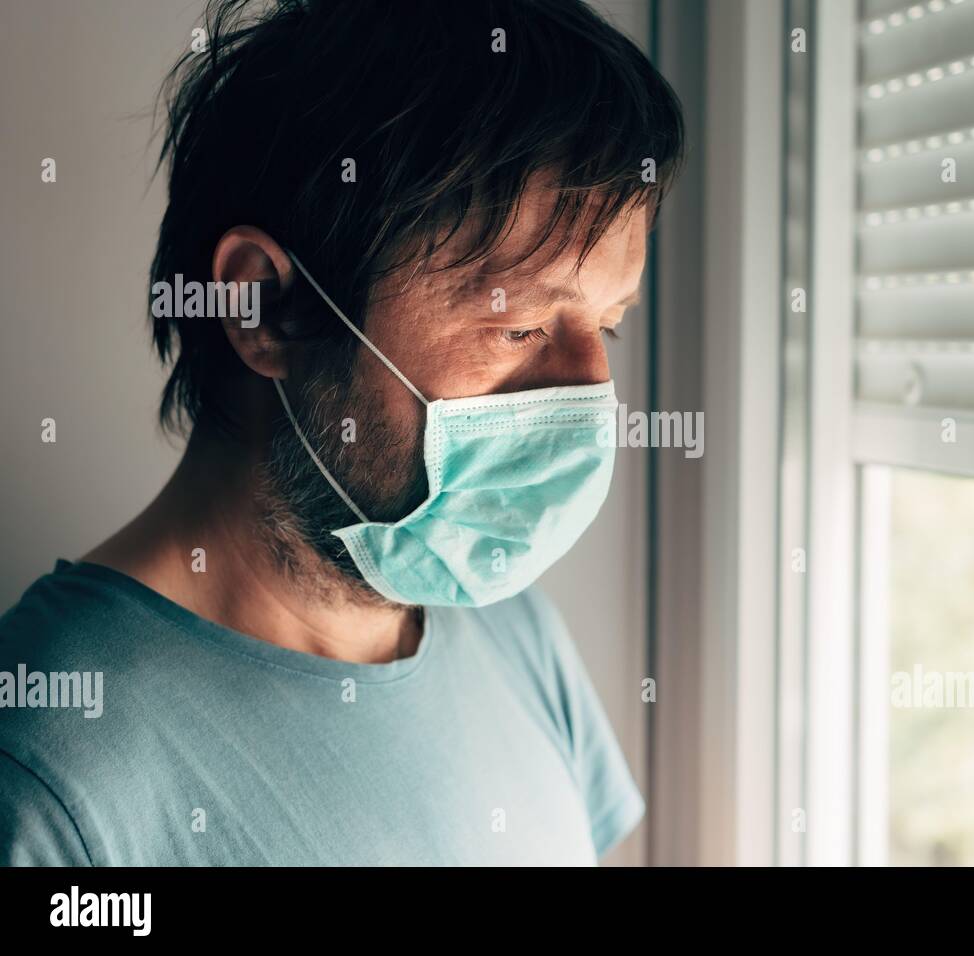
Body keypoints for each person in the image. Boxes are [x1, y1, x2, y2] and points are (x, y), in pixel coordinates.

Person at [0, 0, 684, 865]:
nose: (591, 394)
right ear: (265, 306)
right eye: (519, 328)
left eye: (608, 325)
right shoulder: (50, 783)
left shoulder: (514, 631)